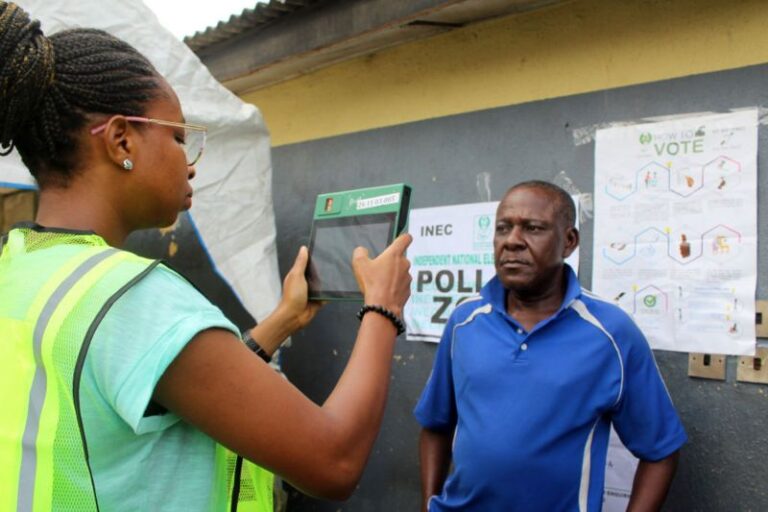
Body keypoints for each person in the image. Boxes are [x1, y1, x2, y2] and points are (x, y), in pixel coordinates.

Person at [0, 2, 412, 510]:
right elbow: (334, 461)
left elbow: (147, 380)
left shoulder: (17, 265)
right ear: (121, 139)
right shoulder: (132, 297)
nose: (191, 164)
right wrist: (383, 308)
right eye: (179, 137)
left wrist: (279, 322)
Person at [414, 180, 686, 511]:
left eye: (533, 228)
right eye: (503, 228)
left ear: (568, 242)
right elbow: (435, 424)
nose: (512, 241)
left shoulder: (610, 333)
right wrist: (428, 504)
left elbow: (661, 450)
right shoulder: (464, 321)